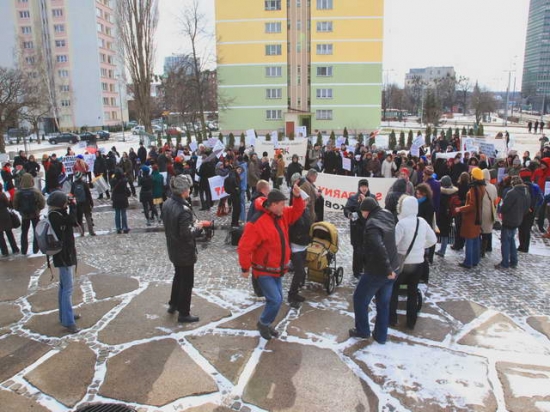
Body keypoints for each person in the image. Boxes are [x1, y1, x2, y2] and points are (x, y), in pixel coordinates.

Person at [238, 185, 305, 340]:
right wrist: (245, 267)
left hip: (278, 269)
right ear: (273, 204)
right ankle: (263, 323)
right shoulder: (257, 223)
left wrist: (297, 197)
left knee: (277, 300)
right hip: (263, 270)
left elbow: (297, 211)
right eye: (282, 204)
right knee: (275, 300)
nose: (284, 206)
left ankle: (267, 324)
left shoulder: (281, 215)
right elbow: (244, 247)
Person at [349, 197, 399, 344]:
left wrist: (387, 269)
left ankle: (363, 330)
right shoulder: (388, 214)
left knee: (359, 298)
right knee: (383, 303)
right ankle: (381, 336)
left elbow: (379, 247)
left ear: (366, 211)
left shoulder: (372, 225)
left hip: (379, 271)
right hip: (394, 266)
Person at [389, 196, 437, 329]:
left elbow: (393, 243)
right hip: (419, 263)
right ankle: (411, 321)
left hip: (404, 263)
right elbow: (433, 239)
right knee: (412, 292)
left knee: (394, 289)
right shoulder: (421, 222)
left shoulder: (402, 224)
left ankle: (392, 318)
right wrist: (421, 246)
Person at [163, 175, 204, 323]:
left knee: (178, 277)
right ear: (183, 190)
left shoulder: (167, 203)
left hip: (173, 248)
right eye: (188, 188)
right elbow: (187, 234)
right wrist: (198, 228)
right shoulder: (183, 210)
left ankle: (173, 304)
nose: (190, 190)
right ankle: (184, 312)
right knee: (186, 282)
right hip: (184, 251)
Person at [47, 191, 80, 333]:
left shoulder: (56, 214)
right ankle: (68, 322)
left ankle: (65, 315)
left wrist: (69, 207)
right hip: (63, 256)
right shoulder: (57, 216)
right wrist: (73, 207)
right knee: (67, 289)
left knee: (63, 287)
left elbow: (71, 222)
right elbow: (72, 221)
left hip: (63, 255)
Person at [495, 176, 531, 269]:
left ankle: (505, 263)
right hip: (518, 219)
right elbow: (527, 208)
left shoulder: (512, 193)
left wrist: (500, 208)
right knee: (511, 240)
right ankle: (514, 261)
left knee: (506, 241)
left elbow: (504, 208)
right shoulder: (526, 192)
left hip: (509, 220)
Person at [343, 179, 375, 279]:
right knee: (357, 250)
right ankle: (357, 271)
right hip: (356, 228)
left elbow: (376, 210)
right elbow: (347, 209)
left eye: (365, 186)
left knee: (368, 250)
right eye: (362, 186)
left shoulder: (372, 198)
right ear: (359, 187)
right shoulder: (353, 198)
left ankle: (367, 269)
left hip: (369, 228)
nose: (364, 188)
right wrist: (349, 214)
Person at [455, 167, 486, 269]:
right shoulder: (482, 186)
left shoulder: (474, 188)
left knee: (469, 240)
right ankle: (475, 260)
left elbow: (472, 205)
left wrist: (460, 209)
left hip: (471, 218)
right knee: (475, 239)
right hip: (477, 217)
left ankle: (468, 261)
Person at [287, 188, 312, 307]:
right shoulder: (294, 212)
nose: (306, 203)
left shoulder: (306, 211)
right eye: (305, 200)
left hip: (303, 245)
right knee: (299, 272)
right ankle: (291, 295)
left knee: (301, 273)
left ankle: (295, 292)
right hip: (295, 246)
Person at [13, 173, 45, 254]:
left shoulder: (18, 192)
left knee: (24, 232)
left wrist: (20, 210)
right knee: (36, 231)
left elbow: (15, 205)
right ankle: (36, 249)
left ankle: (24, 250)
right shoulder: (36, 191)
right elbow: (42, 203)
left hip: (24, 215)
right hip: (35, 214)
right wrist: (38, 209)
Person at [435, 176, 459, 257]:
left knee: (436, 232)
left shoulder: (441, 193)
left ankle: (433, 250)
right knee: (445, 234)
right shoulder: (454, 192)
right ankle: (443, 250)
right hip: (449, 216)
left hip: (440, 215)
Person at [71, 172, 95, 236]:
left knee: (80, 218)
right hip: (86, 202)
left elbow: (71, 194)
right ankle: (91, 231)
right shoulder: (84, 184)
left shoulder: (74, 184)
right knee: (88, 217)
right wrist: (91, 202)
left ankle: (82, 232)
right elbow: (88, 194)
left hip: (78, 203)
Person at [0, 185, 20, 256]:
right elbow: (8, 204)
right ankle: (15, 249)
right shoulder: (2, 195)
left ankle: (4, 251)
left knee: (0, 236)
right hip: (5, 215)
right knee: (9, 233)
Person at [110, 168, 130, 234]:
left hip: (116, 198)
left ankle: (118, 227)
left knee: (117, 213)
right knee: (123, 213)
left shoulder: (113, 181)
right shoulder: (124, 181)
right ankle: (125, 227)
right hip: (123, 198)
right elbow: (126, 190)